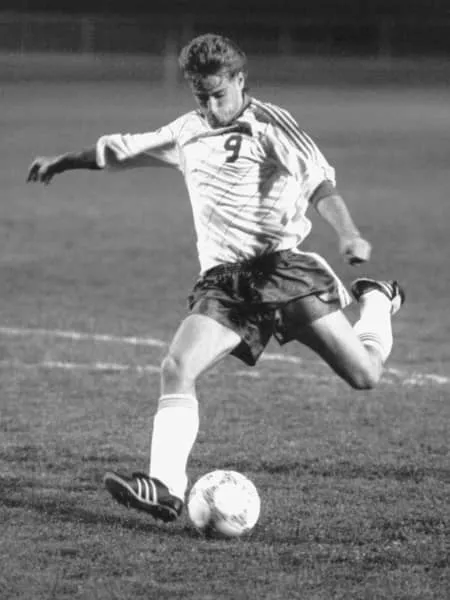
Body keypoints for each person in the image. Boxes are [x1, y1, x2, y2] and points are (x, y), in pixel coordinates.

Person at [27, 33, 405, 523]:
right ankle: (166, 487)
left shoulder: (270, 124)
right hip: (224, 284)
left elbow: (319, 183)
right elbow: (120, 150)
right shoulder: (187, 129)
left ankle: (376, 301)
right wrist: (64, 161)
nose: (209, 106)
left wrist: (349, 233)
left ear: (240, 80)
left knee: (365, 375)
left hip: (282, 271)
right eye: (200, 96)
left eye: (218, 94)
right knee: (176, 367)